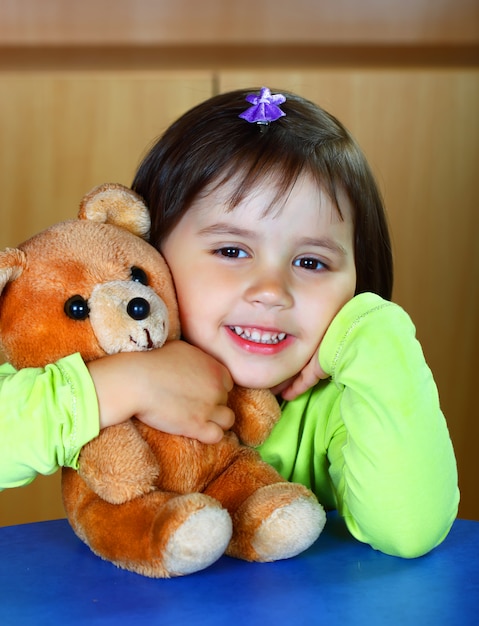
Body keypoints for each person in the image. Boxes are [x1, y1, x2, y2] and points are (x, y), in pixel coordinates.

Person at [0, 87, 458, 560]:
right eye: (232, 251)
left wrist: (373, 331)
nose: (271, 290)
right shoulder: (100, 358)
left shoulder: (338, 408)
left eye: (312, 262)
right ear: (152, 250)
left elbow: (409, 529)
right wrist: (124, 385)